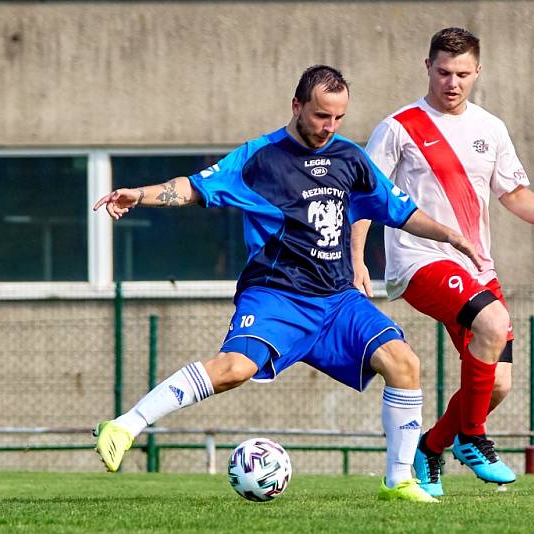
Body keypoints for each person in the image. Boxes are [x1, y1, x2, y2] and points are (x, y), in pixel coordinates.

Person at [92, 65, 483, 503]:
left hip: (336, 300)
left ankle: (398, 482)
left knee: (404, 364)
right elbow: (193, 188)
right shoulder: (259, 159)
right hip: (277, 294)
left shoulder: (350, 158)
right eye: (320, 116)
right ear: (296, 106)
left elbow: (399, 209)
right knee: (234, 369)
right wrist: (139, 194)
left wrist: (449, 236)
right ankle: (126, 425)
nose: (328, 127)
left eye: (337, 118)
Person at [354, 28, 534, 497]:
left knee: (497, 384)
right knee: (494, 320)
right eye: (443, 72)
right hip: (419, 262)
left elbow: (515, 193)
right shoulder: (400, 127)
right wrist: (358, 261)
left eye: (462, 73)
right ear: (428, 67)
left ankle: (431, 448)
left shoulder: (490, 128)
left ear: (477, 72)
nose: (452, 82)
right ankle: (472, 439)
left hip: (476, 268)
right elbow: (364, 198)